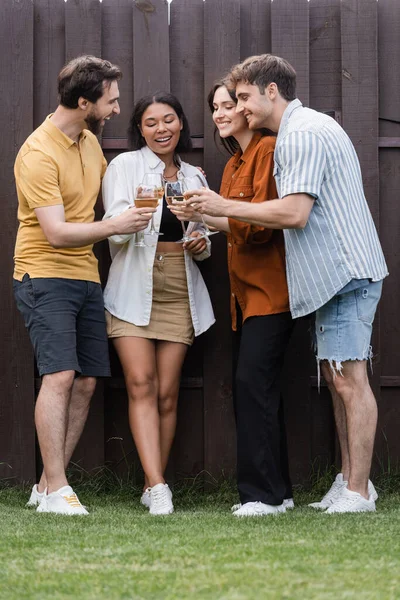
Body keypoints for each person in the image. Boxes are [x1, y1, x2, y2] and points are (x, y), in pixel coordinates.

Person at [185, 54, 388, 514]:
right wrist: (210, 212)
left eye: (242, 98)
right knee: (338, 379)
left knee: (349, 381)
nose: (238, 108)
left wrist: (219, 206)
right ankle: (349, 482)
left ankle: (358, 491)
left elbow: (293, 214)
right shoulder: (304, 128)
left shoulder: (299, 135)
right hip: (333, 275)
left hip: (346, 270)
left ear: (270, 91)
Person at [13, 55, 156, 515]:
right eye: (110, 100)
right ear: (83, 101)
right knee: (58, 375)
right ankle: (57, 488)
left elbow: (98, 209)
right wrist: (116, 224)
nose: (117, 108)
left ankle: (45, 486)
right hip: (44, 274)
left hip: (85, 276)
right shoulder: (38, 152)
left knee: (87, 381)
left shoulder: (90, 143)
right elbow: (56, 232)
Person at [178, 80, 295, 517]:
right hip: (244, 299)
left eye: (230, 104)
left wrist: (215, 211)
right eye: (215, 107)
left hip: (273, 293)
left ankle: (260, 497)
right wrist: (201, 217)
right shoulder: (231, 166)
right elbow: (237, 226)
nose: (221, 113)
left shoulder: (267, 150)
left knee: (252, 386)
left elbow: (264, 225)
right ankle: (278, 493)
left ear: (249, 107)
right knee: (258, 390)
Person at [102, 92, 215, 516]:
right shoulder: (124, 166)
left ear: (181, 124)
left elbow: (203, 246)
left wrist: (200, 241)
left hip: (179, 286)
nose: (161, 129)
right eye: (151, 123)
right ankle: (159, 486)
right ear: (140, 129)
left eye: (168, 120)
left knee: (167, 393)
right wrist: (142, 212)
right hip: (134, 285)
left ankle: (154, 484)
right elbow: (114, 232)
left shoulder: (195, 178)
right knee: (141, 384)